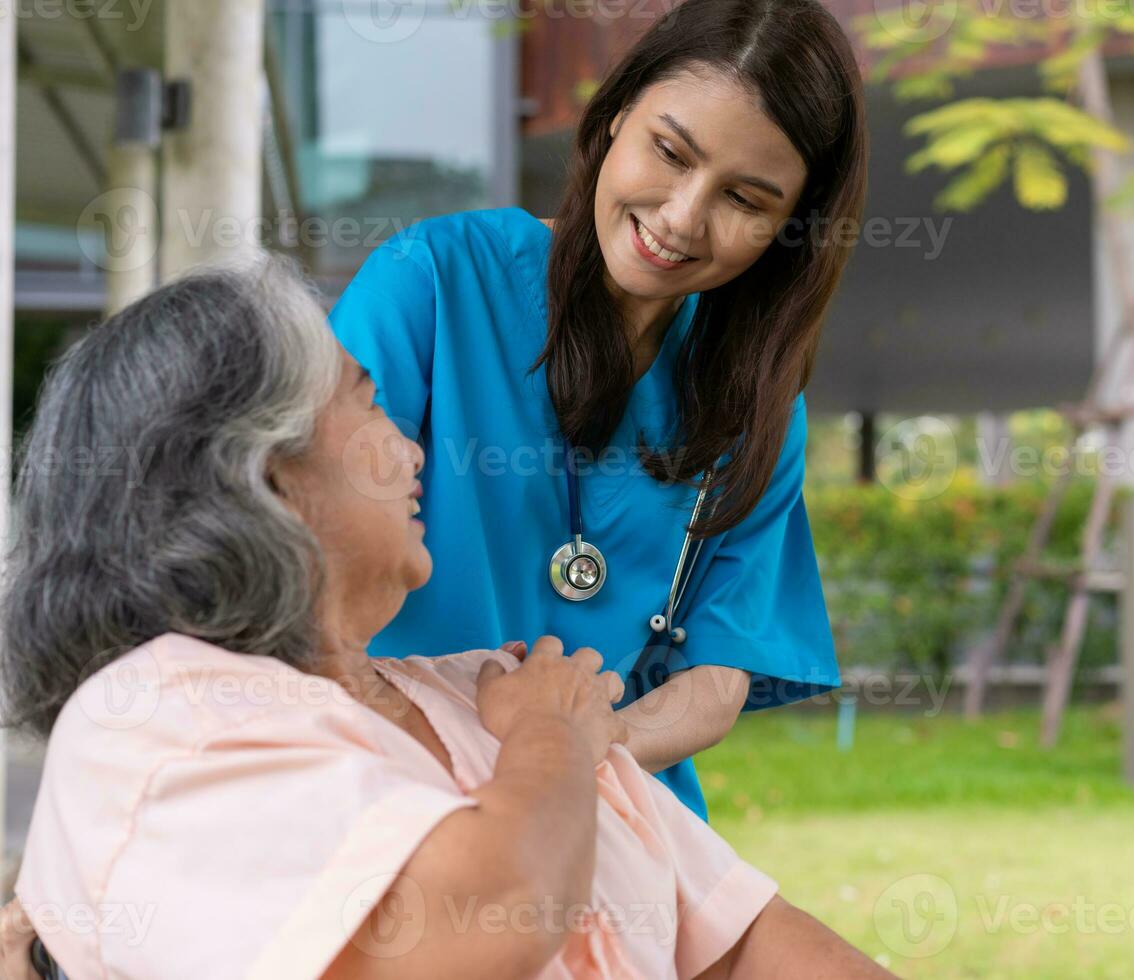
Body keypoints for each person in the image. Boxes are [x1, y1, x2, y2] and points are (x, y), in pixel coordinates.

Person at [0, 258, 893, 979]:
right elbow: (486, 924)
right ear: (264, 478)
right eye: (368, 402)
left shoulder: (487, 690)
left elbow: (744, 948)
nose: (413, 443)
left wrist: (553, 736)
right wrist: (551, 742)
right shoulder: (150, 719)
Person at [327, 0, 869, 819]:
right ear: (617, 112)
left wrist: (576, 754)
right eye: (670, 152)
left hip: (611, 802)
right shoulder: (431, 283)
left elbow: (714, 678)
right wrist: (490, 763)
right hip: (392, 779)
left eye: (746, 201)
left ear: (791, 230)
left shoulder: (756, 403)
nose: (683, 217)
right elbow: (307, 561)